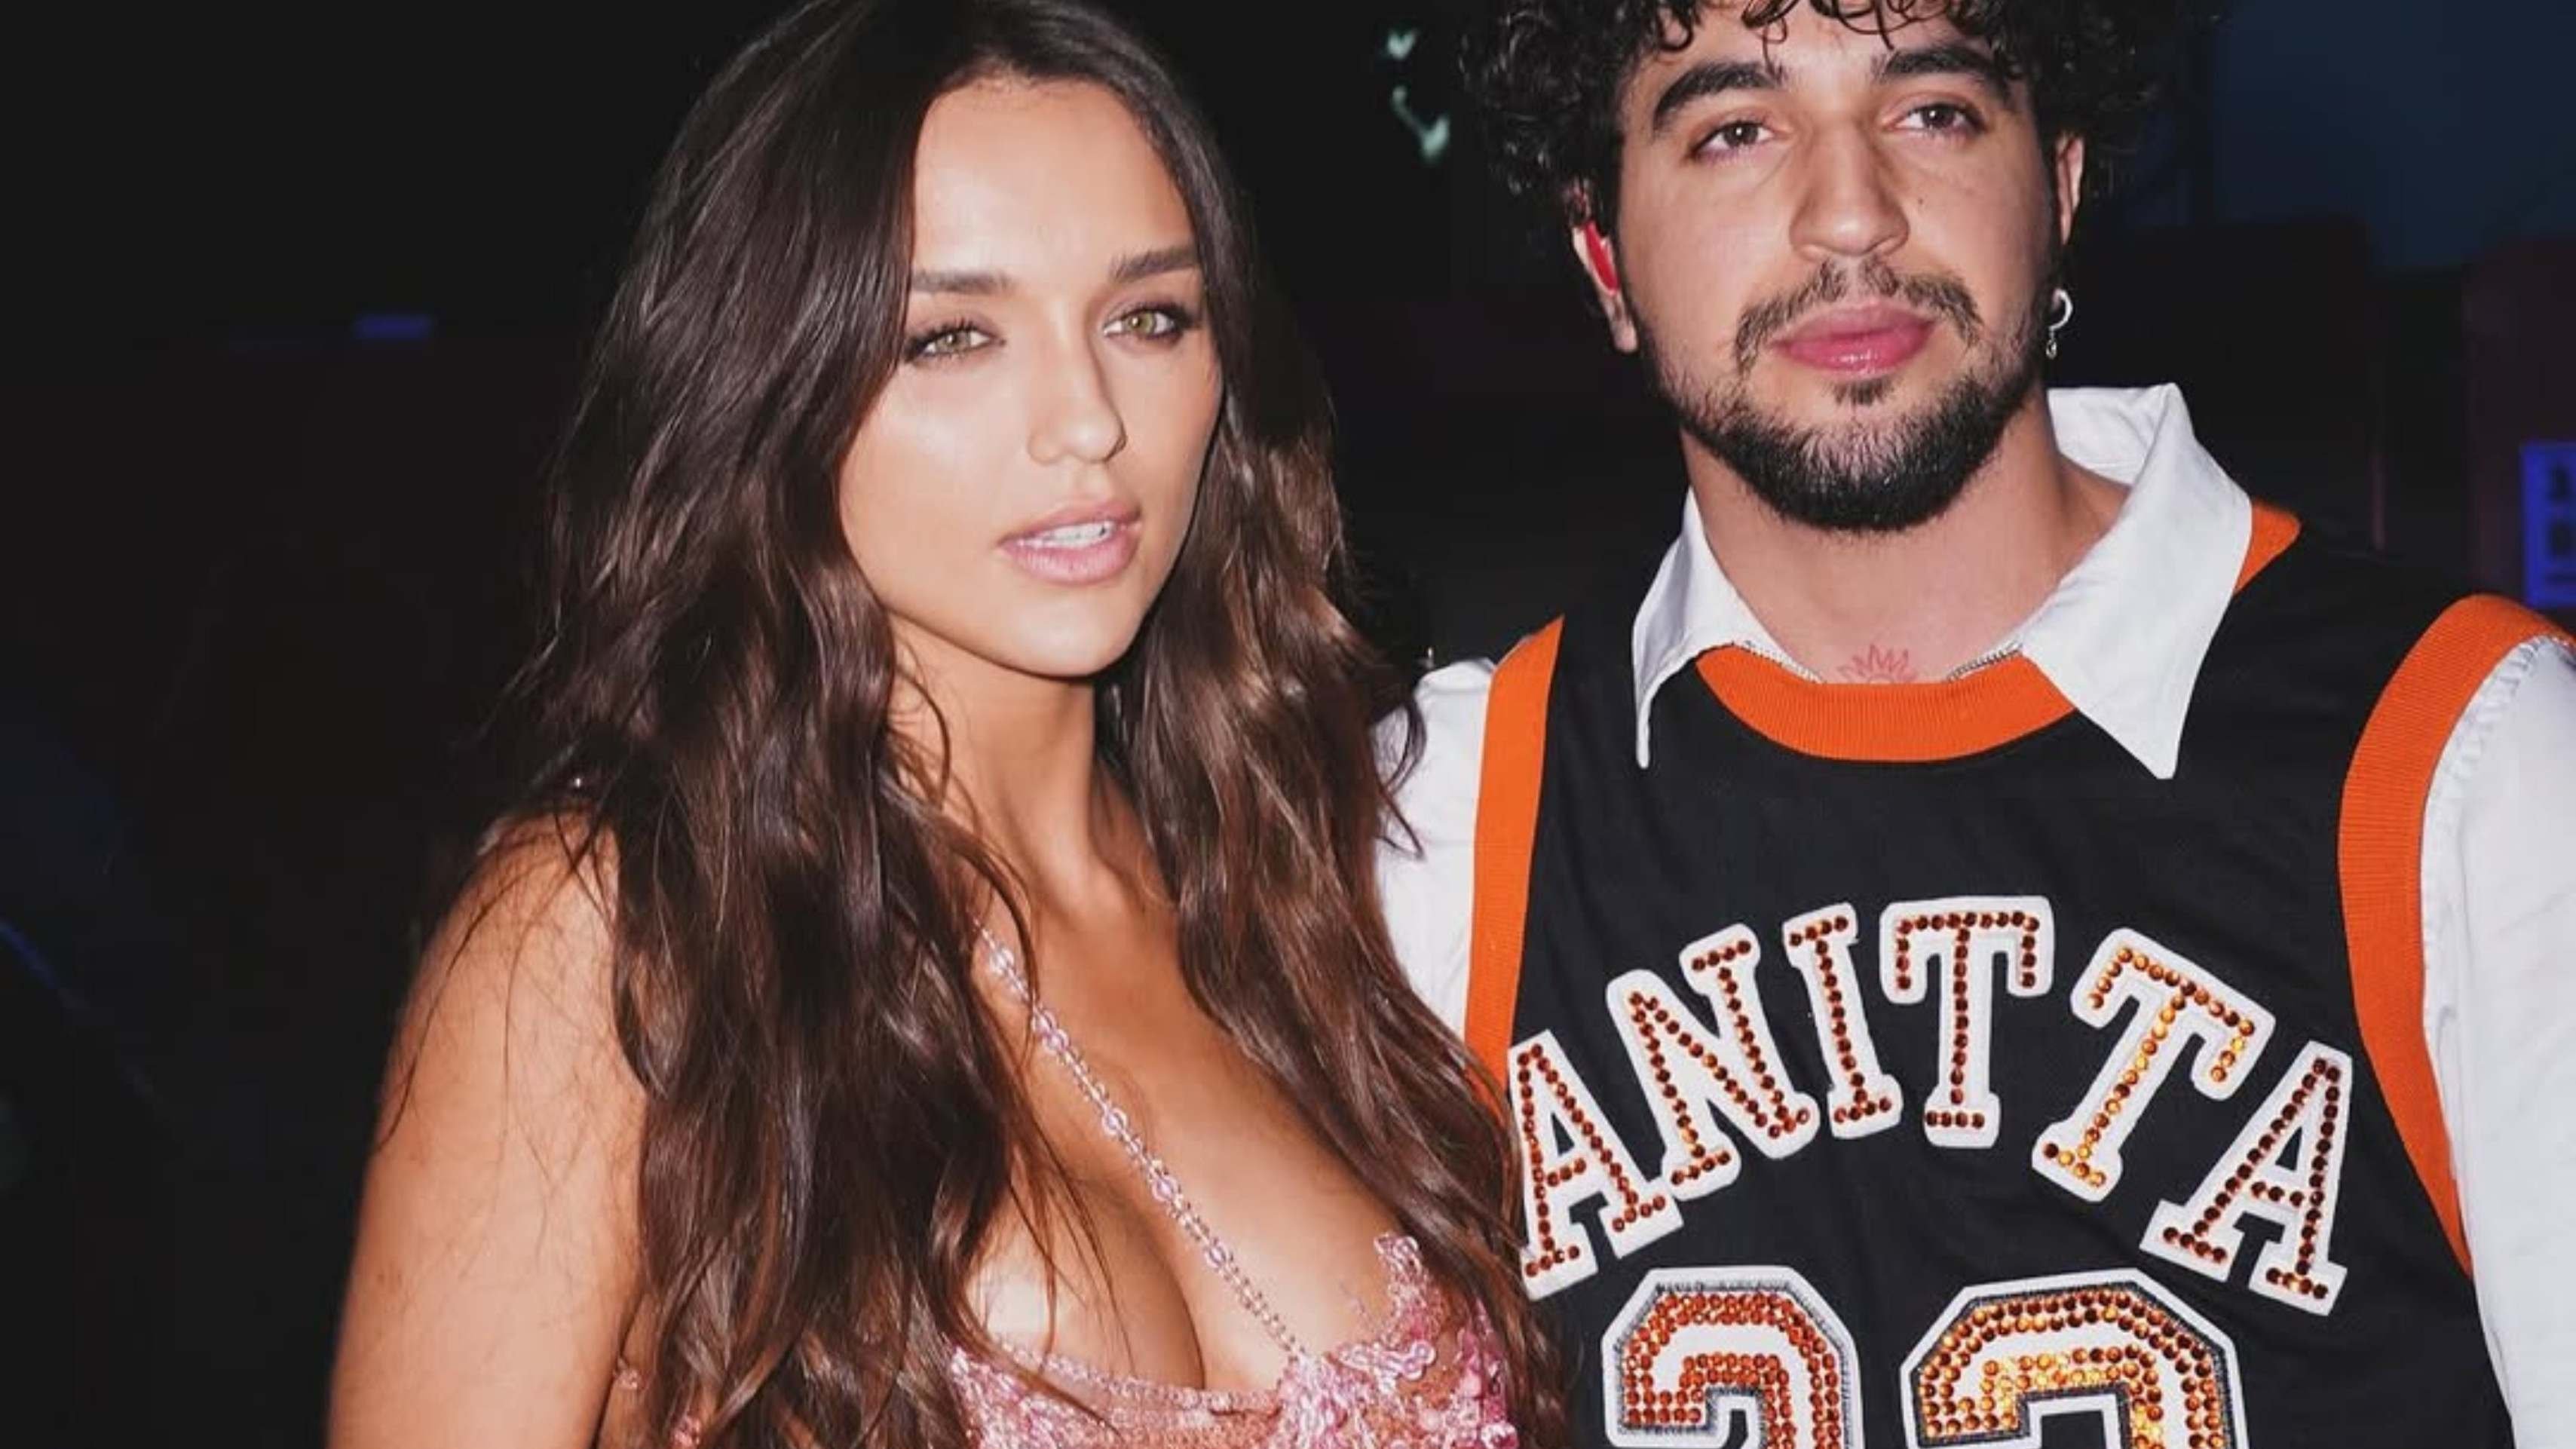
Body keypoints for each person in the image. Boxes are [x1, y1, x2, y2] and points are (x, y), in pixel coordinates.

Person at [327, 2, 1559, 1446]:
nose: (1085, 421)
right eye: (951, 336)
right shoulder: (614, 934)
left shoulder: (1300, 880)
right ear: (769, 378)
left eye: (1149, 318)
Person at [1380, 0, 2576, 1443]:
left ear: (2058, 187)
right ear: (1602, 256)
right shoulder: (1437, 825)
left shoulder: (2468, 762)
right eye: (1736, 131)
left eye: (1931, 111)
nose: (1849, 213)